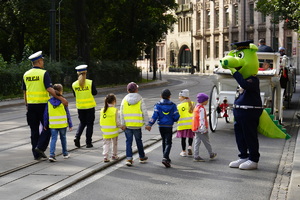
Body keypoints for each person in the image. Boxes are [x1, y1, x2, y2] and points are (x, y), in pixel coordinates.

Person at [22, 51, 68, 160]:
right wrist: (61, 98)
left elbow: (25, 92)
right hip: (43, 106)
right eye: (42, 60)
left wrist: (27, 105)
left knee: (34, 130)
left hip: (31, 106)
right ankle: (40, 147)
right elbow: (49, 89)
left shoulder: (26, 74)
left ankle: (36, 154)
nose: (43, 62)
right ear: (39, 61)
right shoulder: (43, 73)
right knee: (49, 127)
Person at [146, 89, 180, 168]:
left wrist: (150, 124)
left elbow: (154, 116)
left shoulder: (157, 105)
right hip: (169, 126)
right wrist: (175, 119)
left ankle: (166, 157)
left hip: (161, 126)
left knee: (164, 141)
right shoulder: (173, 105)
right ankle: (165, 157)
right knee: (168, 142)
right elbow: (176, 116)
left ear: (161, 96)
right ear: (169, 96)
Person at [120, 82, 149, 166]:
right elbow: (144, 112)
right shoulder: (140, 99)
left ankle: (129, 159)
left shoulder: (124, 100)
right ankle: (141, 157)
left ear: (127, 90)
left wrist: (123, 124)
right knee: (139, 141)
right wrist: (147, 123)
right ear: (136, 89)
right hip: (137, 125)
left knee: (128, 142)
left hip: (128, 125)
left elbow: (121, 113)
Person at [43, 84, 73, 162]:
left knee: (53, 139)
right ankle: (65, 153)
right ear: (61, 91)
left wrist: (45, 124)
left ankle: (52, 155)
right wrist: (70, 124)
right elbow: (67, 113)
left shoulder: (49, 102)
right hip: (62, 124)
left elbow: (46, 114)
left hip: (53, 125)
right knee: (63, 138)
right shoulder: (63, 101)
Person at [72, 65, 97, 148]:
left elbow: (75, 95)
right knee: (90, 124)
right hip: (90, 107)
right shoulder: (90, 82)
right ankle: (88, 143)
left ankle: (77, 137)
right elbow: (94, 93)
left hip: (80, 107)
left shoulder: (74, 84)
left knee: (82, 123)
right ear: (85, 73)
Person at [192, 93, 217, 162]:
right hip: (201, 128)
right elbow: (202, 119)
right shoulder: (201, 109)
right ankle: (211, 154)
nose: (207, 101)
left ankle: (196, 155)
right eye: (206, 100)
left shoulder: (196, 107)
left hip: (196, 128)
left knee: (197, 141)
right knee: (206, 141)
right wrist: (203, 128)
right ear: (203, 101)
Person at [100, 94, 124, 162]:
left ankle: (105, 156)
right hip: (113, 131)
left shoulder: (102, 110)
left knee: (106, 143)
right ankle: (114, 155)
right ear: (114, 101)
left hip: (105, 131)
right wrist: (121, 126)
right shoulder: (114, 110)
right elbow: (117, 121)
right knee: (114, 143)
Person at [176, 89, 195, 157]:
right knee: (190, 136)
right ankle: (190, 146)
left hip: (182, 125)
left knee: (183, 138)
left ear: (183, 97)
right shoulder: (192, 103)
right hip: (191, 125)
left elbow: (177, 115)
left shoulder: (179, 106)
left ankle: (183, 151)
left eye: (179, 96)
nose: (179, 98)